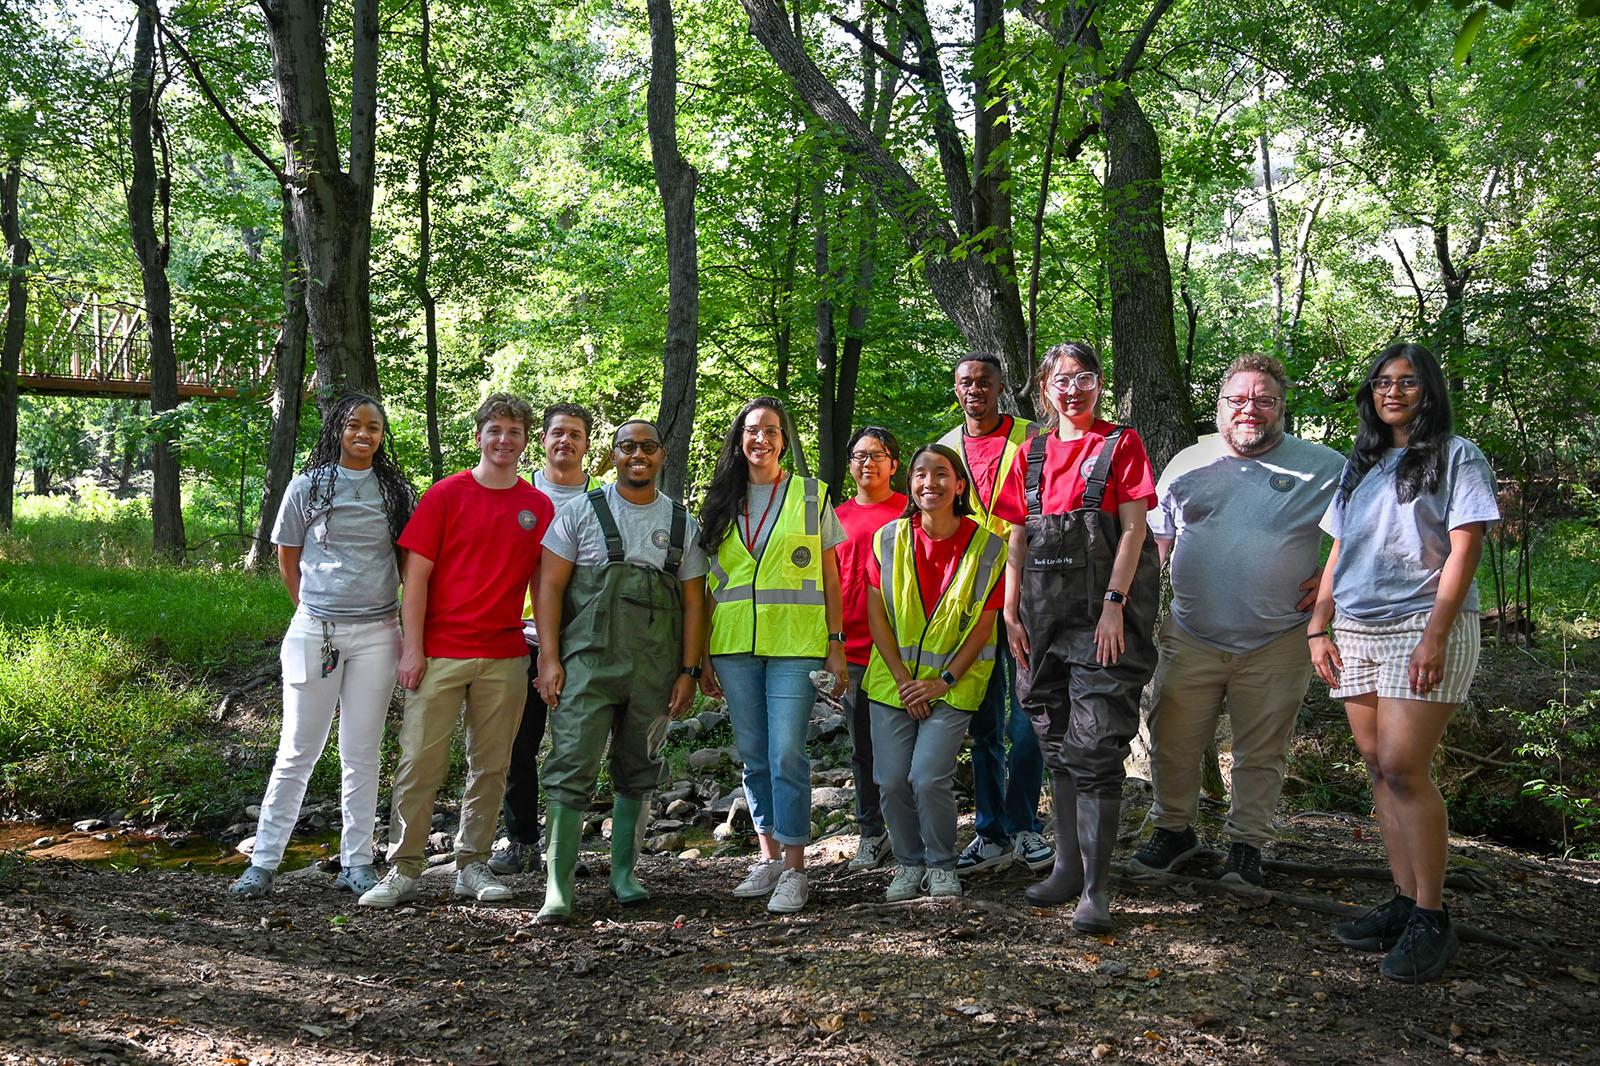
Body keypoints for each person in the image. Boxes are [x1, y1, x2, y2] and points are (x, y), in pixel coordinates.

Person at [1307, 342, 1498, 983]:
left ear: (1429, 391)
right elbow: (1338, 550)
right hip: (1356, 627)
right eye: (1384, 381)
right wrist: (1318, 625)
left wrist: (1436, 635)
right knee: (1375, 768)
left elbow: (1465, 547)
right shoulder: (1360, 464)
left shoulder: (1456, 454)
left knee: (1403, 766)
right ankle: (1401, 898)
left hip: (1423, 623)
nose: (1394, 392)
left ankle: (1431, 917)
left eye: (1408, 382)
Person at [1130, 355, 1344, 886]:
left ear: (1282, 407)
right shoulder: (1187, 462)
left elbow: (1357, 534)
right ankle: (1174, 830)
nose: (1251, 409)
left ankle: (1247, 845)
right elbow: (1158, 540)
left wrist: (1331, 580)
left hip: (1279, 637)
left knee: (1261, 749)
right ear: (1221, 405)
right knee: (1172, 736)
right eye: (1238, 399)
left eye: (1264, 400)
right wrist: (1128, 604)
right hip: (1190, 632)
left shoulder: (1324, 466)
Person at [359, 393, 555, 908]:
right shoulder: (445, 495)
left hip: (506, 655)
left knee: (491, 766)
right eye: (495, 430)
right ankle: (403, 868)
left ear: (524, 441)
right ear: (479, 437)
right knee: (419, 763)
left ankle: (472, 864)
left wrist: (549, 655)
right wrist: (412, 650)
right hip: (440, 654)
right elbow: (415, 578)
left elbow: (544, 588)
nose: (504, 440)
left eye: (514, 432)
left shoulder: (537, 507)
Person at [992, 341, 1159, 933]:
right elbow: (1016, 538)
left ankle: (1096, 887)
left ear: (1099, 383)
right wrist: (1009, 612)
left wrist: (1114, 607)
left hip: (1102, 620)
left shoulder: (1122, 444)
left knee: (1095, 747)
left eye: (1083, 378)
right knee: (1055, 740)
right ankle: (1064, 867)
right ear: (1045, 389)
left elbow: (1136, 530)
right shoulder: (1030, 452)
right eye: (1061, 380)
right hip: (1040, 622)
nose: (1072, 389)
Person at [229, 393, 416, 899]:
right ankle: (263, 863)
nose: (364, 434)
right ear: (336, 429)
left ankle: (358, 862)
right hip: (316, 631)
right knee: (297, 750)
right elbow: (287, 555)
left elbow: (406, 562)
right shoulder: (307, 486)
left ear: (382, 435)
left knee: (362, 751)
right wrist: (311, 610)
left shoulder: (396, 491)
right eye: (354, 425)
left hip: (379, 635)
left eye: (374, 427)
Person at [532, 419, 708, 923]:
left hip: (655, 669)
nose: (638, 455)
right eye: (627, 447)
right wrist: (548, 658)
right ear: (612, 455)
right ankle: (558, 887)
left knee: (638, 768)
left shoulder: (681, 522)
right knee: (571, 765)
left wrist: (689, 671)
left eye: (648, 447)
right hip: (585, 664)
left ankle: (624, 874)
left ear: (662, 455)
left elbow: (695, 602)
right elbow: (549, 588)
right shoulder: (581, 513)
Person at [699, 397, 849, 915]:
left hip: (796, 643)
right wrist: (701, 655)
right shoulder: (719, 502)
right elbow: (705, 586)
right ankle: (767, 859)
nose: (760, 438)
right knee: (755, 755)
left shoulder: (812, 496)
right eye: (750, 430)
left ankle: (795, 868)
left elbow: (831, 575)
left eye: (770, 430)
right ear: (739, 440)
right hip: (735, 646)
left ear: (784, 439)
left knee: (787, 753)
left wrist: (836, 642)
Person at [864, 445, 1006, 901]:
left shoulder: (989, 547)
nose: (930, 483)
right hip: (894, 684)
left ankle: (942, 864)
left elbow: (985, 625)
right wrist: (907, 682)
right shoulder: (887, 539)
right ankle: (909, 864)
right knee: (890, 780)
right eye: (920, 474)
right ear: (910, 485)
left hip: (954, 684)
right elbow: (876, 616)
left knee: (926, 777)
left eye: (942, 474)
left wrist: (941, 681)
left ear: (959, 485)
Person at [936, 353, 1053, 876]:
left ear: (1002, 387)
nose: (974, 390)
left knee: (1027, 717)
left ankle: (1026, 825)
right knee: (983, 722)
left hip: (1028, 595)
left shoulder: (1034, 437)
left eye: (984, 381)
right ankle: (989, 832)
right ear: (955, 389)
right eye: (966, 382)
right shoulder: (946, 448)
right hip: (970, 600)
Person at [490, 403, 603, 877]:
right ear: (543, 440)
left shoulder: (603, 501)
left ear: (586, 445)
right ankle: (520, 840)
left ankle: (565, 843)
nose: (566, 442)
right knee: (518, 743)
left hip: (581, 641)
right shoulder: (518, 492)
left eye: (575, 435)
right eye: (558, 433)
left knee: (574, 744)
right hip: (519, 637)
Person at [834, 426, 907, 871]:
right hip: (855, 651)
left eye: (877, 455)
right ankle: (870, 833)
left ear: (894, 464)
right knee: (863, 748)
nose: (868, 463)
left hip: (904, 651)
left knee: (905, 750)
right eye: (859, 456)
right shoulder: (834, 517)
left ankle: (909, 834)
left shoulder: (909, 510)